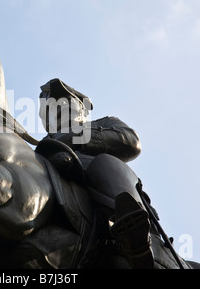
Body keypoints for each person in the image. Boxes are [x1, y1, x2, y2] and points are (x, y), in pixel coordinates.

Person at [36, 78, 154, 268]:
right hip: (60, 190)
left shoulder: (106, 123)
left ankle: (132, 235)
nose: (55, 106)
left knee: (105, 163)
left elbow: (131, 142)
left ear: (82, 110)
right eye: (48, 106)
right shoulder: (42, 148)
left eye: (64, 102)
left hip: (103, 183)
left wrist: (79, 137)